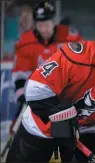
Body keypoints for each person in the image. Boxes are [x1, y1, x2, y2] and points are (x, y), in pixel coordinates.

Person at [6, 12, 95, 163]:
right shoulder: (75, 56)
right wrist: (57, 113)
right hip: (41, 126)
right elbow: (35, 87)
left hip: (84, 130)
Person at [9, 0, 82, 136]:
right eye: (40, 25)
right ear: (35, 24)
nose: (45, 29)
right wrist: (23, 96)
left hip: (64, 90)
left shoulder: (69, 37)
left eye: (47, 24)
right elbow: (20, 73)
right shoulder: (25, 42)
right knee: (20, 128)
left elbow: (82, 63)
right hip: (38, 91)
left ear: (54, 22)